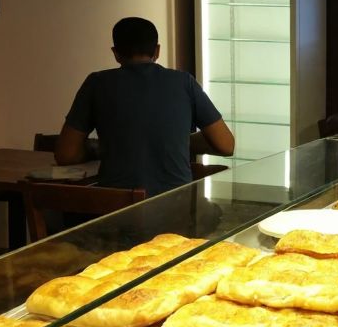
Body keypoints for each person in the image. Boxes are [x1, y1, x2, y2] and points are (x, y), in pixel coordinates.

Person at [56, 17, 235, 197]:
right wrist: (176, 141)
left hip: (115, 214)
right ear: (157, 51)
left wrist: (96, 149)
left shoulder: (96, 84)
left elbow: (66, 155)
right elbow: (226, 145)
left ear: (116, 53)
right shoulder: (183, 83)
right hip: (177, 211)